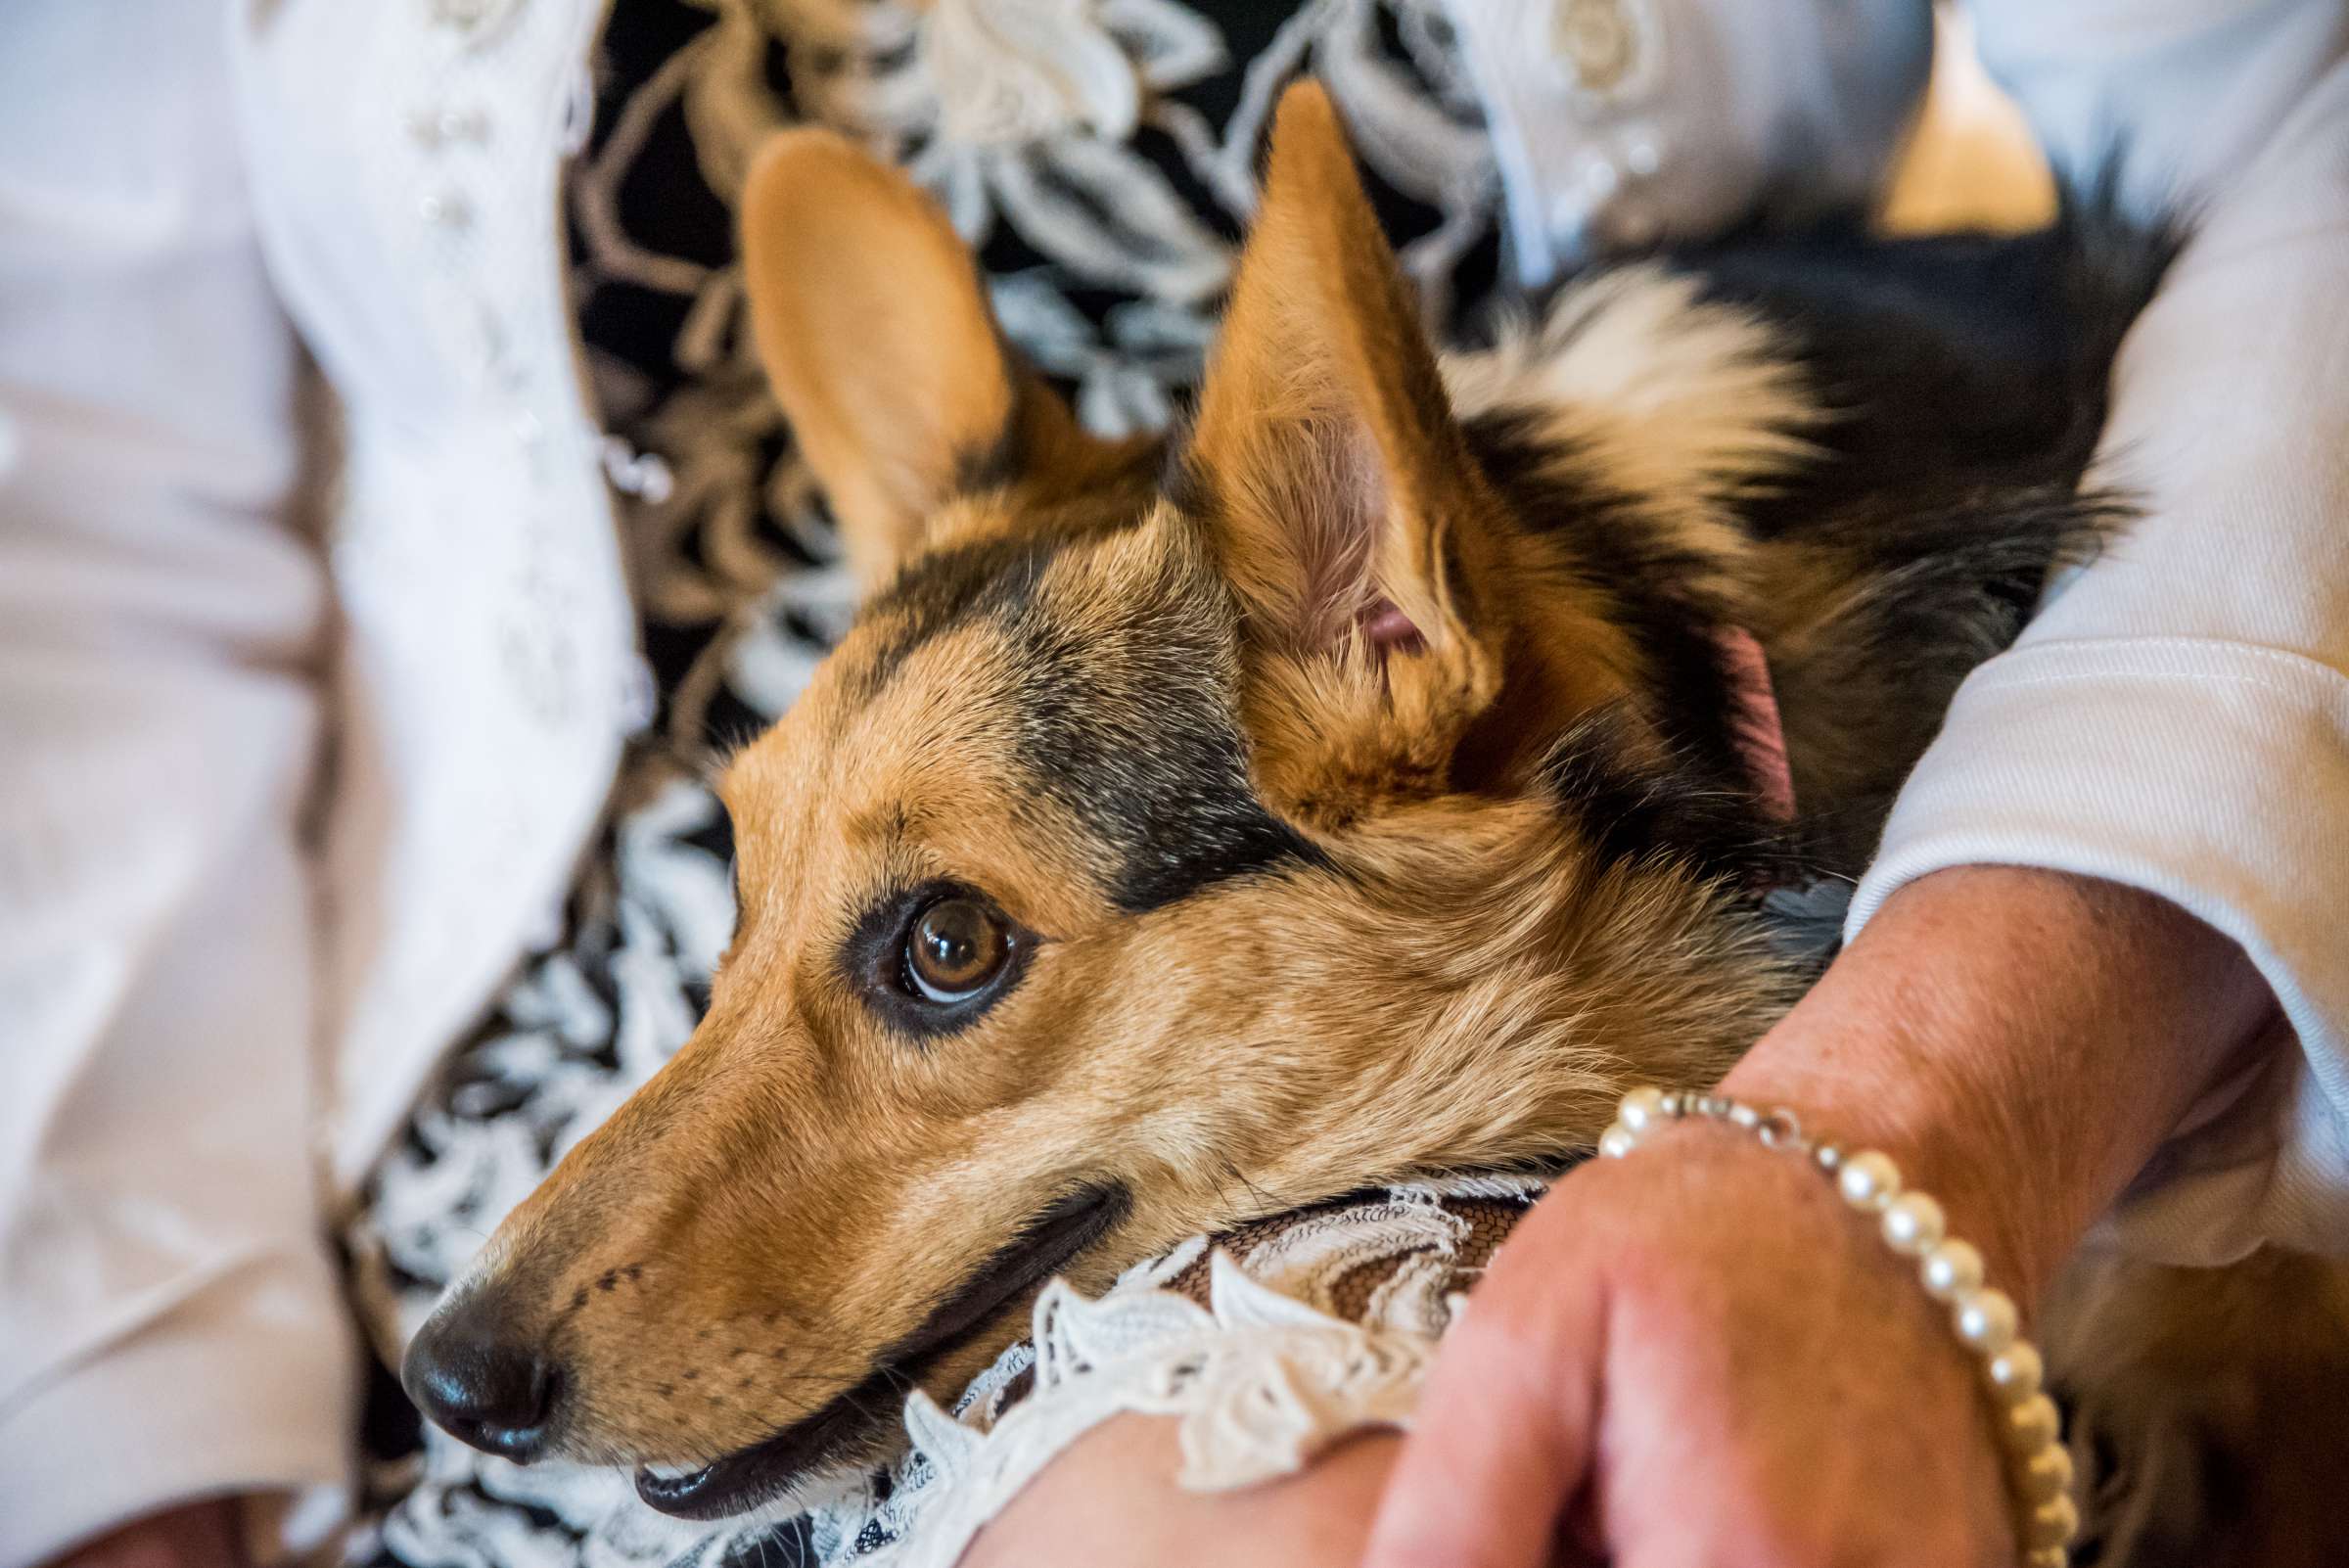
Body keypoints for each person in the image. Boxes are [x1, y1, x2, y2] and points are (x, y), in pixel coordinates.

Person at [2, 4, 2342, 1568]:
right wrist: (107, 1408)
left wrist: (1929, 1120)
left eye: (941, 952)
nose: (563, 1270)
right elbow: (72, 496)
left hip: (1518, 876)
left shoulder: (1361, 677)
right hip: (360, 1006)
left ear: (1384, 626)